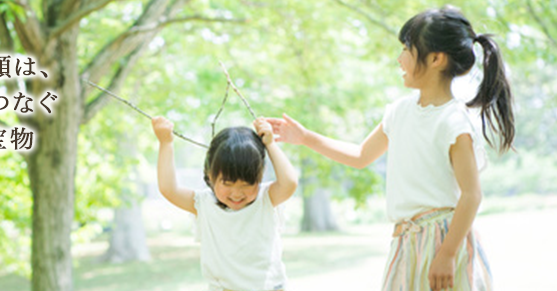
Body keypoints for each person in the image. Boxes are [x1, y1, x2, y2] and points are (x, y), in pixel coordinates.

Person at [266, 6, 513, 291]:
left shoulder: (454, 122)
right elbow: (360, 156)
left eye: (407, 49)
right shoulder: (399, 111)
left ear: (436, 59)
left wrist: (446, 253)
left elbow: (472, 195)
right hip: (406, 242)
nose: (400, 58)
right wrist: (305, 137)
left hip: (447, 241)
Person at [152, 116, 298, 291]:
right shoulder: (204, 204)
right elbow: (169, 189)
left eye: (246, 184)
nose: (237, 193)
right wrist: (166, 143)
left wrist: (271, 144)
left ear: (259, 177)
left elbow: (289, 182)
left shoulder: (266, 199)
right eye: (227, 184)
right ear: (210, 176)